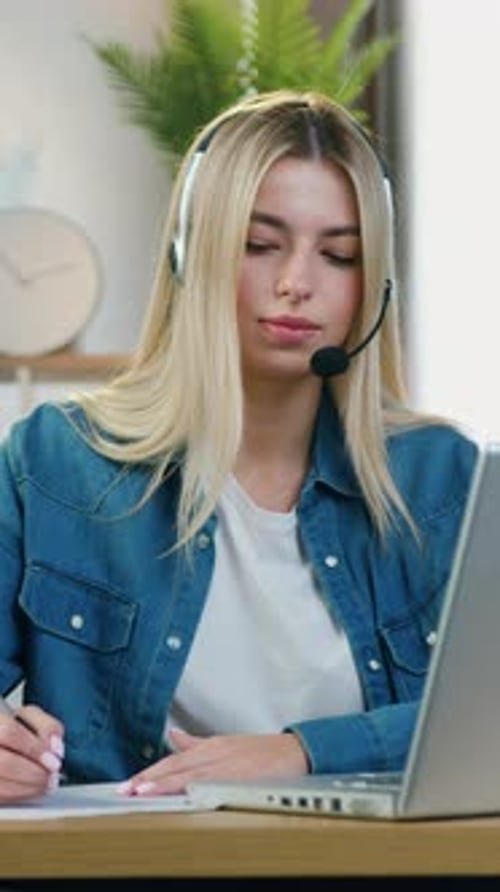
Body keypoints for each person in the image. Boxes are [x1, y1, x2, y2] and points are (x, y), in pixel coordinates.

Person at [0, 89, 477, 804]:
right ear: (189, 257)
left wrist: (303, 753)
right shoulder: (54, 460)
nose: (296, 284)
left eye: (339, 255)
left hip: (372, 861)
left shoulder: (440, 478)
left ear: (374, 288)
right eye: (259, 245)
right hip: (131, 858)